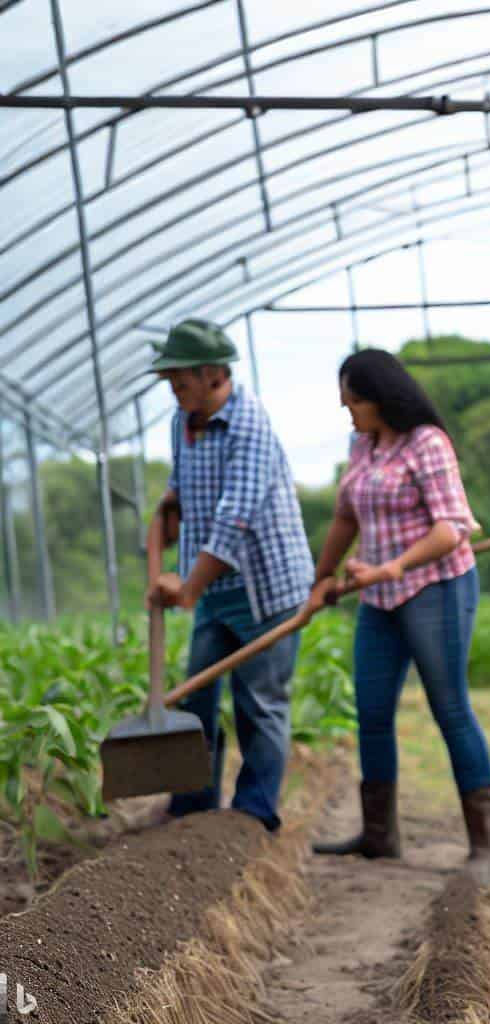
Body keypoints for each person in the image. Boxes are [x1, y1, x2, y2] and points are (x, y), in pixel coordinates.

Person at [307, 348, 490, 884]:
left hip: (434, 585)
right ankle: (378, 835)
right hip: (378, 598)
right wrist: (322, 576)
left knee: (449, 707)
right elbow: (347, 514)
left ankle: (485, 846)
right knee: (371, 712)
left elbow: (450, 529)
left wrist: (390, 567)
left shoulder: (428, 443)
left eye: (353, 403)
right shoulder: (363, 445)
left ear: (378, 398)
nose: (348, 414)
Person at [147, 318, 314, 832]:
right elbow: (176, 496)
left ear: (212, 373)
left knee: (259, 702)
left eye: (179, 377)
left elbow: (234, 520)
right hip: (218, 587)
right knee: (197, 696)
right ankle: (193, 807)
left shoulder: (249, 425)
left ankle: (253, 817)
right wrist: (159, 564)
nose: (172, 387)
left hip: (267, 590)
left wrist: (189, 588)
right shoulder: (184, 422)